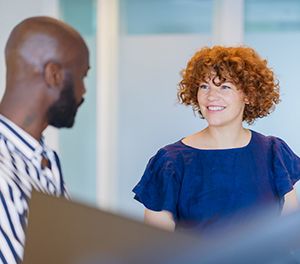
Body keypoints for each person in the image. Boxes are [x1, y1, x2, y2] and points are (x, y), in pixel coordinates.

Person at [133, 46, 300, 233]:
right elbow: (156, 249)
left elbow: (291, 236)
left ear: (248, 95)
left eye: (224, 86)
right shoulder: (170, 162)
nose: (211, 96)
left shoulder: (273, 152)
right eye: (204, 86)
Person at [0, 16, 89, 263]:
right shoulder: (2, 173)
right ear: (54, 75)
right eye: (82, 76)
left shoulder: (45, 160)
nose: (83, 91)